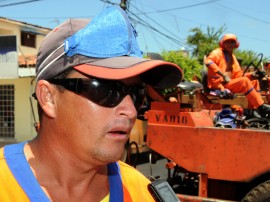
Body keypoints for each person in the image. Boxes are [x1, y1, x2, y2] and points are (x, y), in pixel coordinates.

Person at [0, 6, 183, 202]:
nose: (130, 111)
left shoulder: (142, 193)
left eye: (137, 93)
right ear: (48, 98)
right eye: (105, 90)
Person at [205, 33, 270, 118]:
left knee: (254, 81)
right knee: (244, 81)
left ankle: (253, 110)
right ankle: (261, 107)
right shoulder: (217, 53)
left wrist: (252, 75)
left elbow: (239, 75)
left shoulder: (232, 57)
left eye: (232, 42)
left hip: (228, 83)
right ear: (223, 44)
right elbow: (208, 62)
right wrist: (223, 75)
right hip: (219, 85)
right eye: (227, 42)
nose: (230, 44)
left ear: (236, 44)